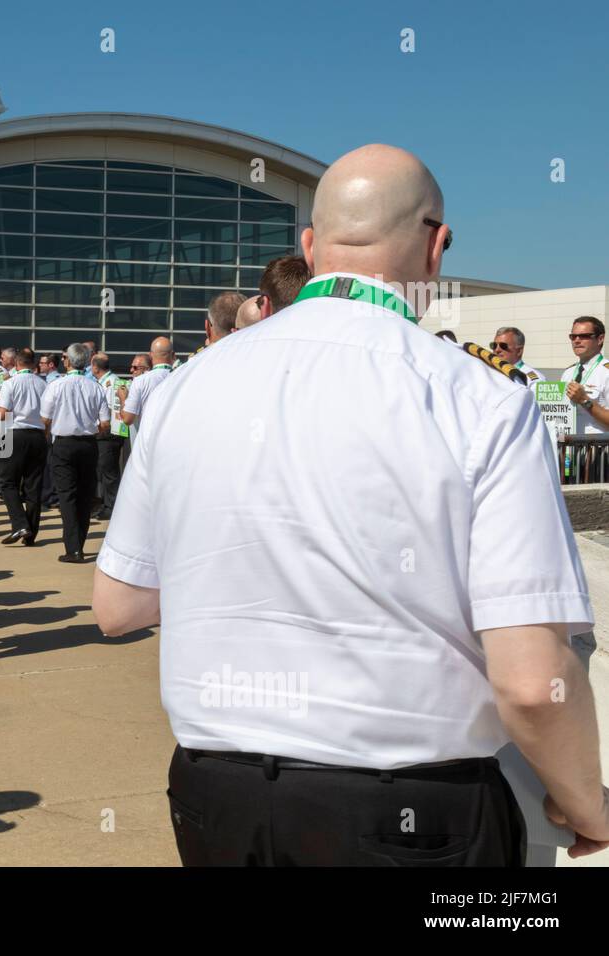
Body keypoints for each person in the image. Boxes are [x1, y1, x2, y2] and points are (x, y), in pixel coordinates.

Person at [94, 143, 608, 867]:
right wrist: (586, 803)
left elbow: (119, 606)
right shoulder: (480, 400)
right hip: (413, 814)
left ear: (309, 246)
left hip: (218, 799)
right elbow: (532, 682)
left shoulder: (185, 387)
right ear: (437, 247)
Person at [41, 343, 108, 563]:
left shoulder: (56, 386)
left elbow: (45, 418)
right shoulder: (95, 386)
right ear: (88, 362)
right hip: (88, 444)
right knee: (85, 495)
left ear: (67, 361)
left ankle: (73, 548)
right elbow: (105, 423)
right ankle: (78, 543)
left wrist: (50, 435)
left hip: (63, 444)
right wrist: (91, 431)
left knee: (67, 496)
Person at [0, 348, 48, 546]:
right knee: (33, 485)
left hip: (15, 433)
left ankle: (19, 524)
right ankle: (30, 534)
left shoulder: (10, 383)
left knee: (7, 482)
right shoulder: (43, 385)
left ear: (17, 364)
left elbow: (1, 414)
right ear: (34, 365)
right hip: (38, 435)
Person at [90, 352, 125, 520]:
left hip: (109, 434)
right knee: (103, 471)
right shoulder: (103, 382)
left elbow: (110, 411)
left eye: (91, 365)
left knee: (109, 472)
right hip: (102, 434)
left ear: (95, 367)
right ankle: (105, 504)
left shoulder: (111, 383)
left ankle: (112, 507)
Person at [562, 317, 609, 435]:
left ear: (600, 339)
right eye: (573, 336)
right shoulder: (568, 372)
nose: (577, 340)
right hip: (569, 449)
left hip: (597, 450)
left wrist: (584, 400)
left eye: (584, 336)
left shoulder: (606, 372)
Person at [118, 337, 175, 433]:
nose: (132, 370)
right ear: (173, 355)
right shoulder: (183, 376)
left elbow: (127, 419)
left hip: (147, 440)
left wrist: (123, 398)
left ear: (150, 355)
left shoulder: (140, 381)